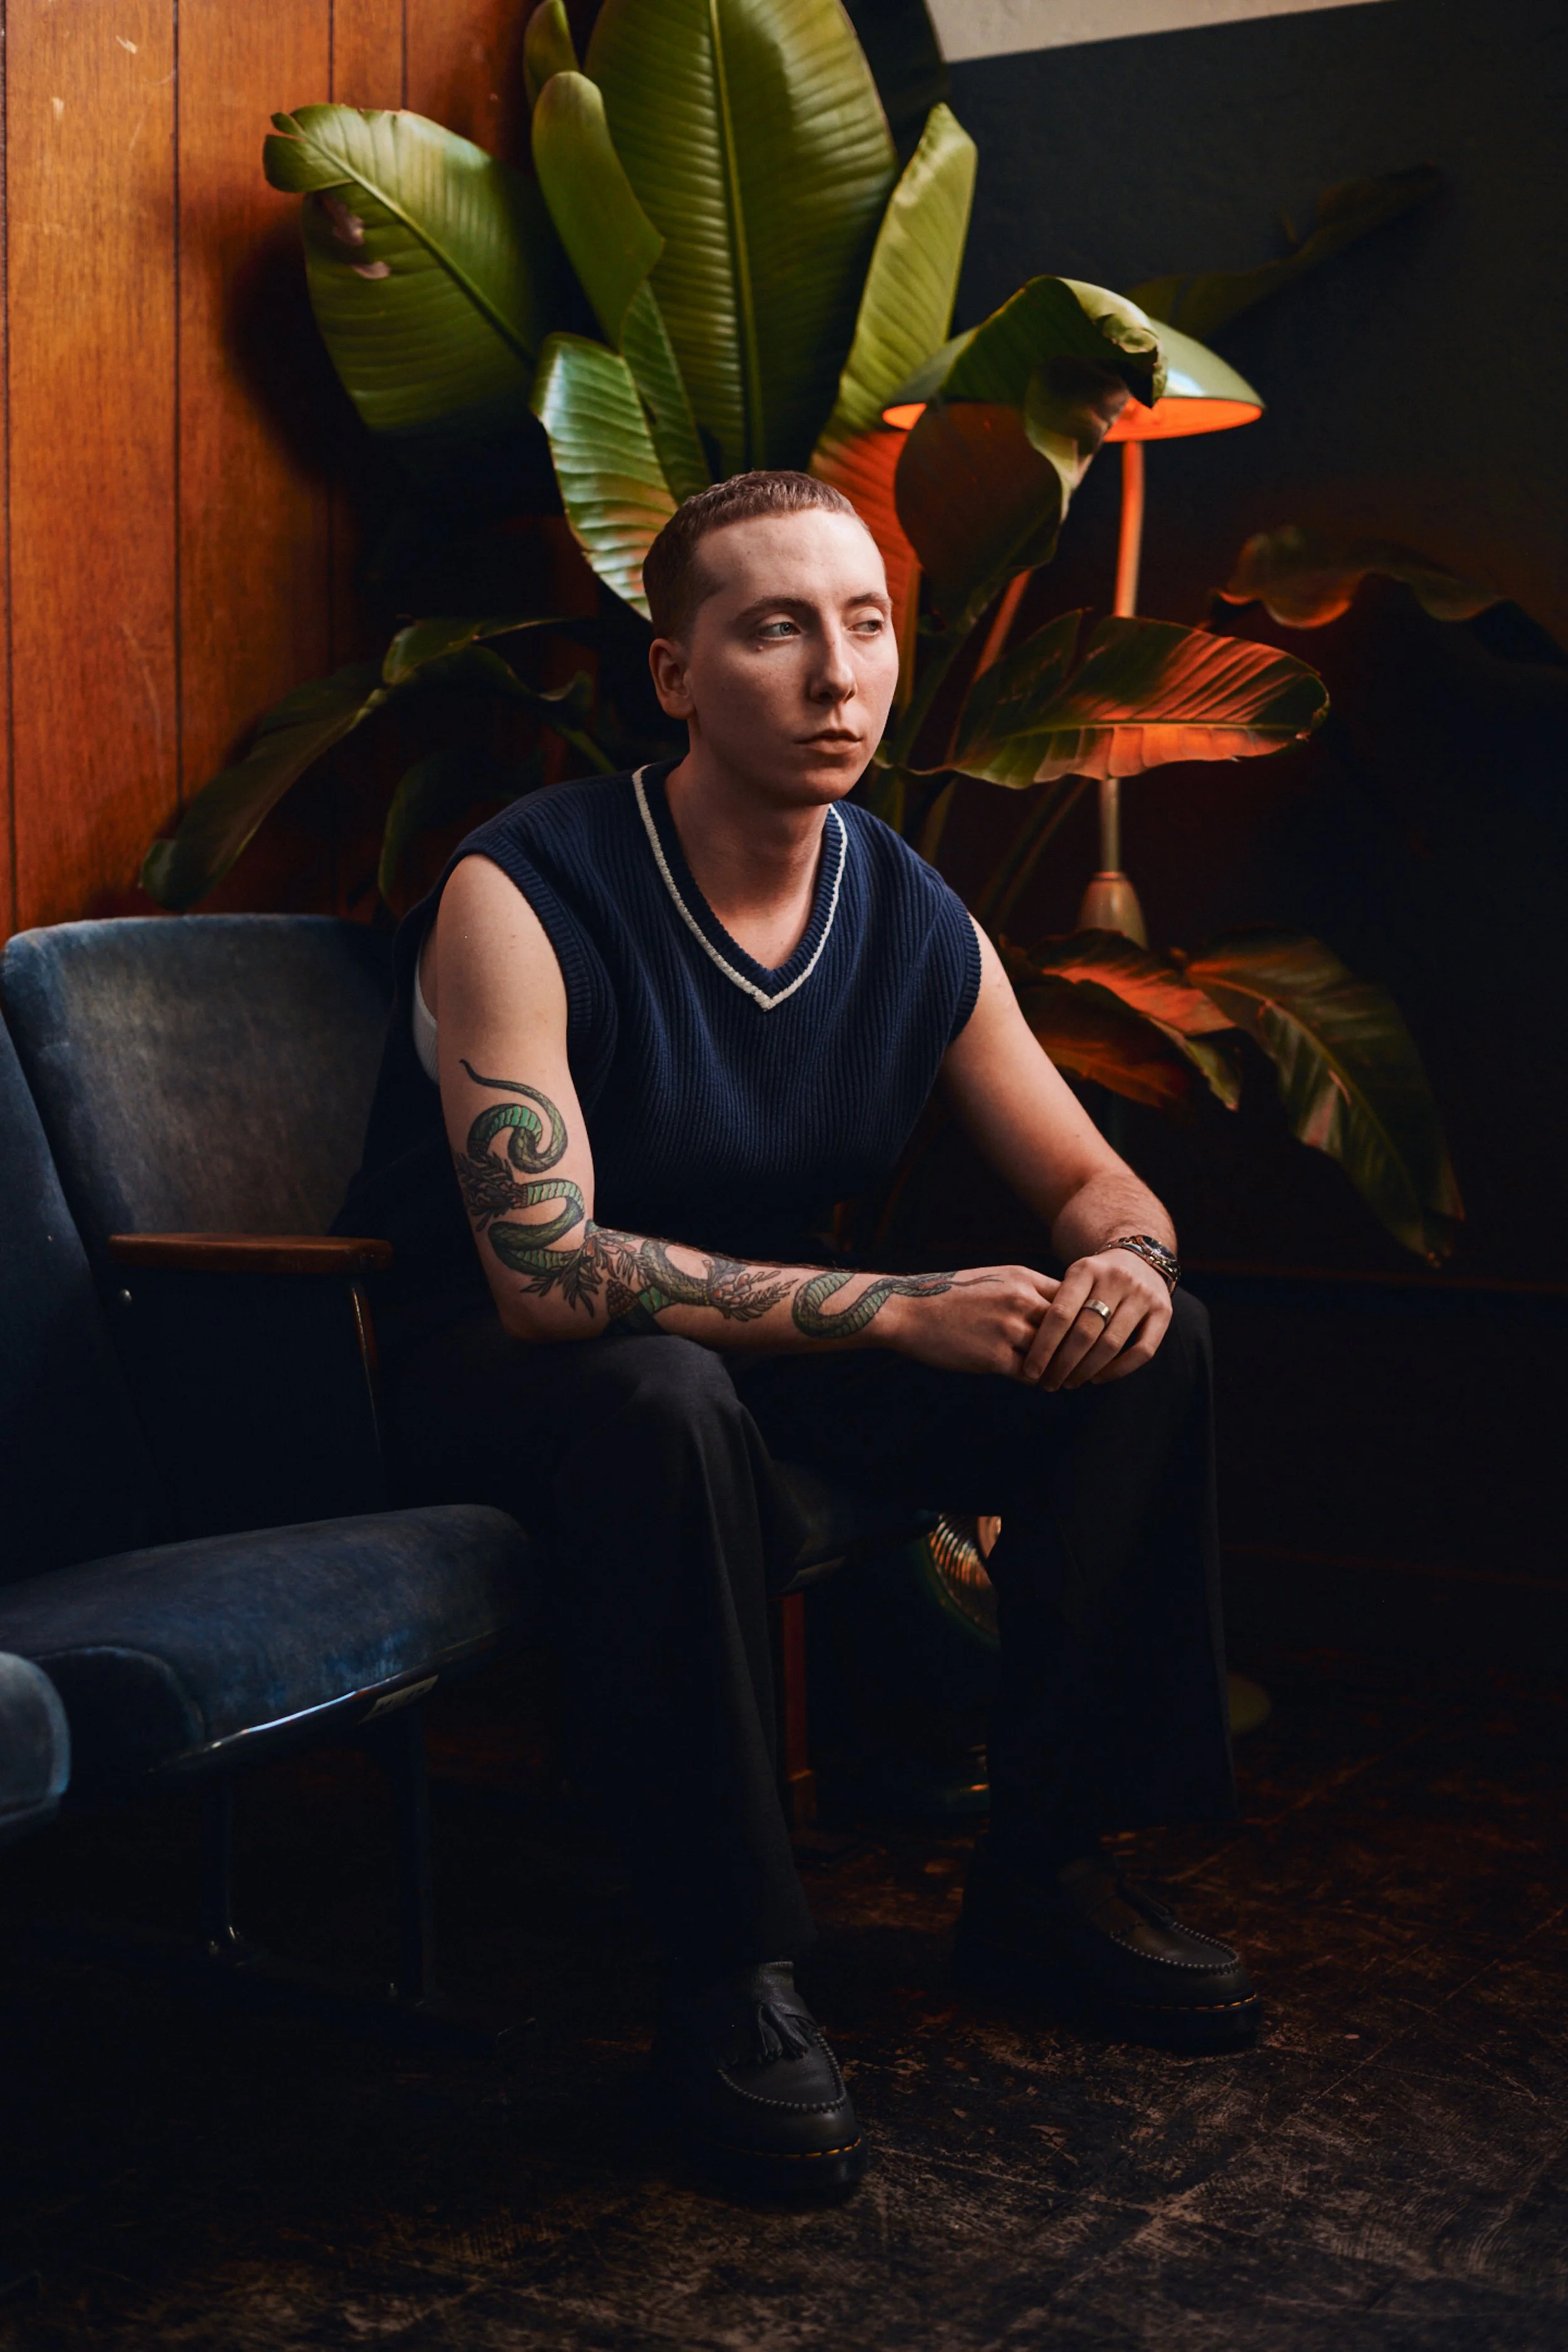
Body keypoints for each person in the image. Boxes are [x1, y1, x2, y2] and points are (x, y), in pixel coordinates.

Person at [337, 470, 1253, 2201]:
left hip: (757, 1355)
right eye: (775, 629)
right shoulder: (520, 884)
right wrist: (903, 1310)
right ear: (675, 673)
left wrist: (1126, 1262)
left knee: (1158, 1345)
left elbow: (1087, 1177)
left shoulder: (908, 910)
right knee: (666, 1398)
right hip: (488, 1368)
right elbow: (542, 1273)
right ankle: (723, 1971)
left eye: (866, 624)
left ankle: (1044, 1878)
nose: (838, 674)